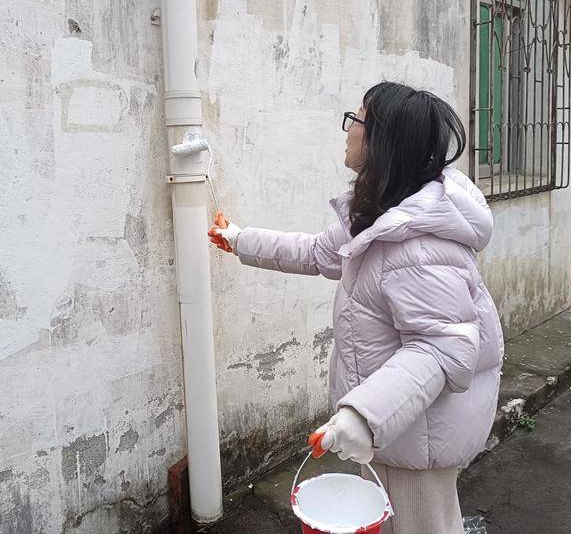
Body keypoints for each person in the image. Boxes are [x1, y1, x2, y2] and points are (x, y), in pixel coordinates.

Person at [208, 82, 504, 534]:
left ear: (384, 142)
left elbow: (444, 349)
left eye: (357, 119)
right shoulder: (379, 215)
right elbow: (316, 252)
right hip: (397, 425)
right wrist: (239, 239)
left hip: (417, 437)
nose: (348, 129)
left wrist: (364, 415)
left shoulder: (418, 245)